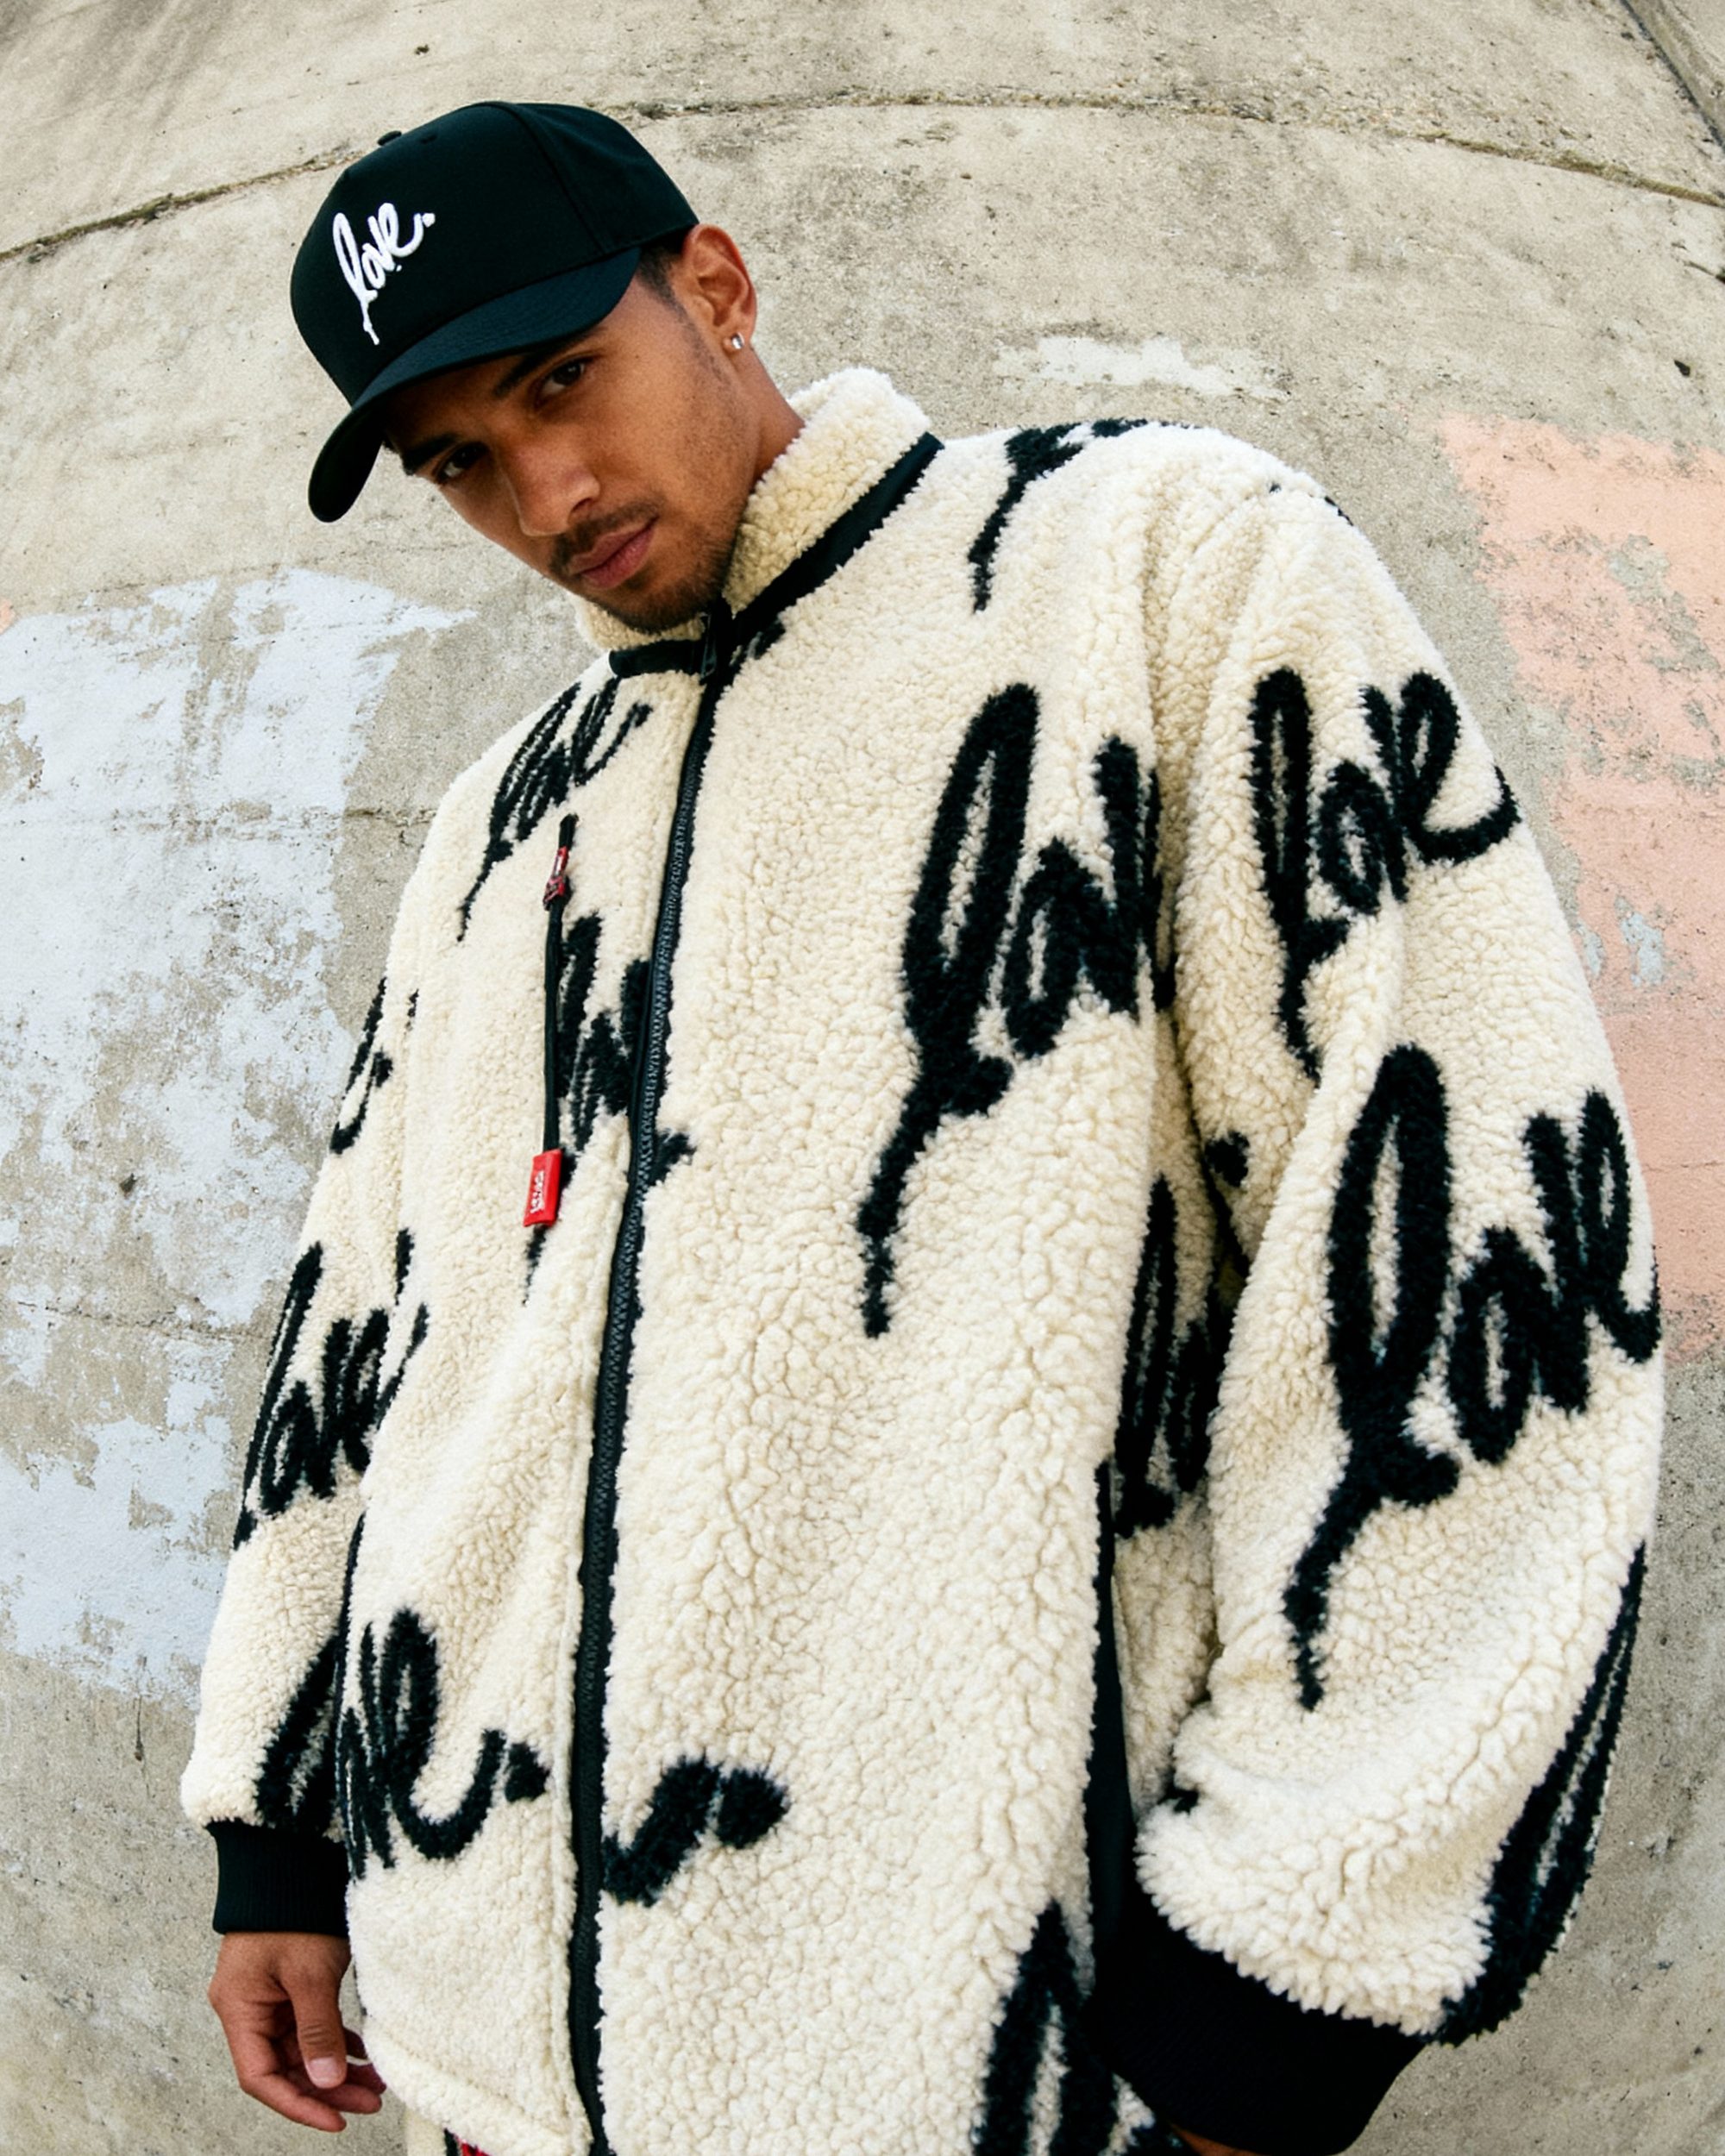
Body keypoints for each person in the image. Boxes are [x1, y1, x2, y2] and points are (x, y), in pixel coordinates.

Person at [183, 101, 1664, 2156]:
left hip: (967, 2065)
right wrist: (278, 1817)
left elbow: (1475, 1266)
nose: (551, 491)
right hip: (481, 2047)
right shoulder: (500, 820)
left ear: (712, 285)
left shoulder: (1159, 573)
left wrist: (1286, 1981)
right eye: (463, 460)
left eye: (558, 380)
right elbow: (366, 1318)